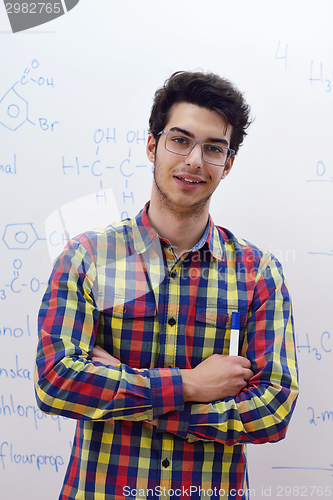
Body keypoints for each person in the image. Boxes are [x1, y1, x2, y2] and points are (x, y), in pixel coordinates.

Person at [35, 71, 299, 500]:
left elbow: (273, 409)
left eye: (213, 148)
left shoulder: (258, 273)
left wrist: (139, 394)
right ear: (152, 145)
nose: (195, 160)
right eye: (180, 140)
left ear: (227, 165)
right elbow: (56, 382)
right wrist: (192, 386)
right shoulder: (88, 257)